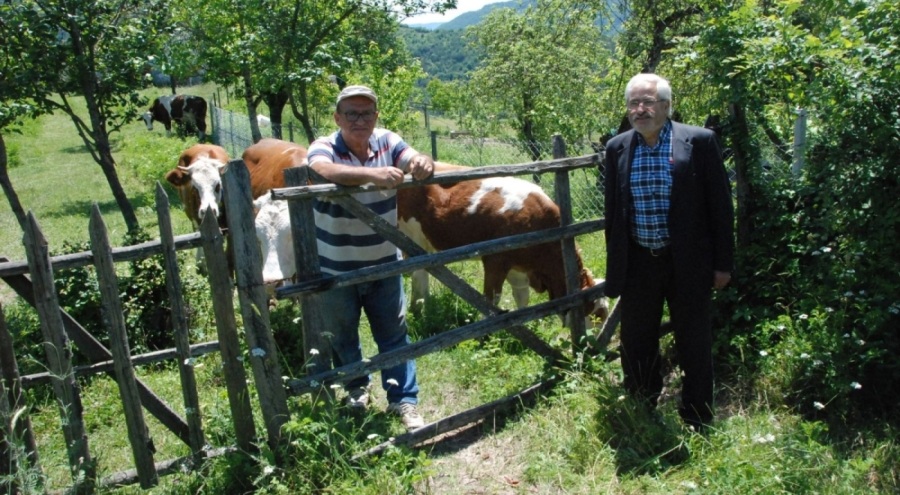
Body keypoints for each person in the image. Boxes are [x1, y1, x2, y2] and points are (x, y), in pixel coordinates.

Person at [603, 73, 735, 431]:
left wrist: (723, 264)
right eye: (633, 103)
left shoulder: (700, 142)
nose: (639, 110)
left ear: (666, 105)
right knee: (636, 341)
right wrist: (617, 265)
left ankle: (697, 417)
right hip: (638, 263)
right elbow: (613, 214)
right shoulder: (617, 148)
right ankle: (642, 409)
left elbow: (721, 207)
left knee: (694, 340)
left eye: (647, 102)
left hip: (688, 263)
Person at [306, 85, 434, 431]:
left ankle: (403, 400)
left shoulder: (388, 141)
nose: (359, 120)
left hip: (384, 262)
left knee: (394, 333)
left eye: (366, 113)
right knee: (343, 334)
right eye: (351, 113)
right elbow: (322, 170)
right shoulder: (324, 145)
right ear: (337, 118)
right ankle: (356, 390)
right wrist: (373, 174)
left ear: (376, 116)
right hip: (336, 266)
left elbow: (412, 158)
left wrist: (421, 162)